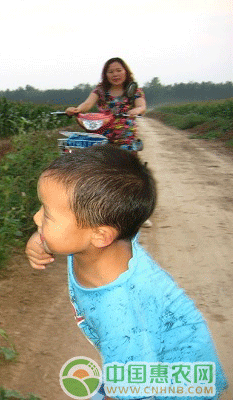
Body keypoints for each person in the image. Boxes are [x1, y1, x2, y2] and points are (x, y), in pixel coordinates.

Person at [25, 145, 227, 399]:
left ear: (100, 235)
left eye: (47, 216)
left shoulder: (119, 313)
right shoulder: (110, 236)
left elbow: (134, 389)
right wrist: (40, 239)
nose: (36, 217)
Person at [66, 57, 146, 148]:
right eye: (110, 72)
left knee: (128, 159)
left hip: (126, 136)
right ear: (106, 75)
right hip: (101, 135)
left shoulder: (134, 90)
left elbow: (141, 106)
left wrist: (136, 111)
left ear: (126, 72)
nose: (115, 74)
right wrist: (76, 110)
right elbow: (87, 104)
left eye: (119, 70)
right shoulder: (100, 90)